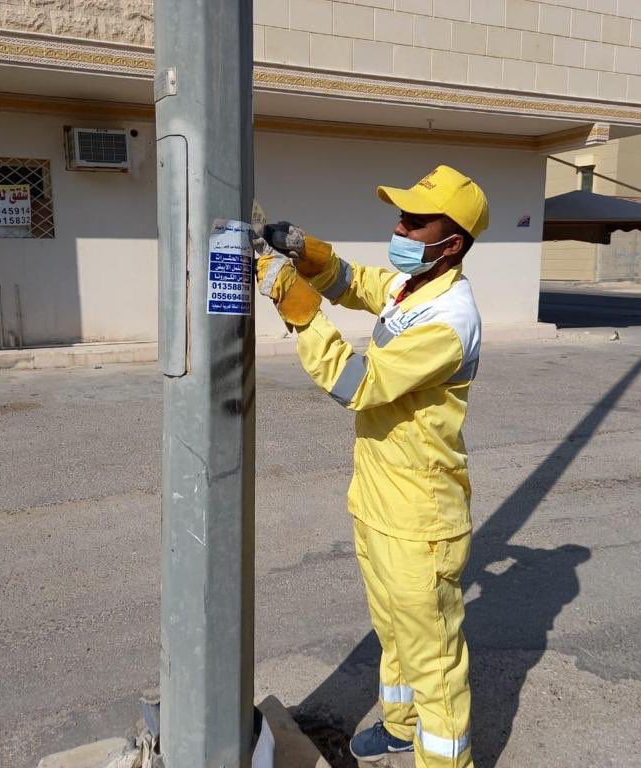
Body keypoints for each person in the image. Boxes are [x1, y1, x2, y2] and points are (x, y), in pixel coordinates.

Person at [253, 165, 487, 768]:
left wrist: (295, 303)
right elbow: (357, 283)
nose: (400, 228)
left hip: (421, 519)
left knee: (433, 658)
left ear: (451, 243)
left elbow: (357, 383)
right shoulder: (413, 288)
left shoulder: (449, 319)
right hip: (380, 499)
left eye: (415, 221)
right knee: (393, 632)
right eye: (401, 217)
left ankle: (445, 759)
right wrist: (304, 252)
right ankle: (402, 726)